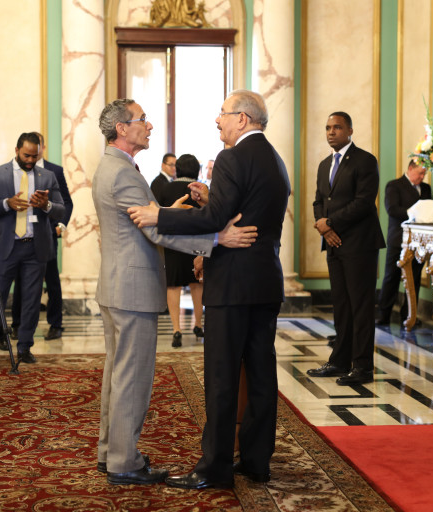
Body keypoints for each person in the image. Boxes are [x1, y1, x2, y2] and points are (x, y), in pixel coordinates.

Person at [129, 89, 290, 489]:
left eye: (223, 113)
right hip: (265, 280)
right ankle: (256, 461)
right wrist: (209, 198)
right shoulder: (276, 159)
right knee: (261, 375)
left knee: (222, 377)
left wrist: (159, 215)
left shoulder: (232, 158)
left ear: (243, 119)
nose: (217, 119)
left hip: (232, 283)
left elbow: (218, 219)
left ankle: (214, 469)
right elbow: (242, 210)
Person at [93, 98, 256, 487]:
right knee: (132, 377)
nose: (149, 126)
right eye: (143, 119)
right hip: (131, 289)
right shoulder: (123, 173)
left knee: (118, 374)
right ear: (121, 128)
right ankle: (123, 461)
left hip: (118, 286)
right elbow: (155, 230)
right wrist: (216, 238)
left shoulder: (113, 167)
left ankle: (110, 452)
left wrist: (178, 211)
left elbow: (151, 219)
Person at [0, 132, 68, 366]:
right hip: (5, 248)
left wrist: (46, 205)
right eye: (26, 155)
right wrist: (7, 204)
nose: (30, 160)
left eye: (35, 156)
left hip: (35, 248)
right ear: (16, 150)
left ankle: (25, 347)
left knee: (32, 301)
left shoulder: (47, 176)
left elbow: (61, 209)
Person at [307, 111, 385, 386]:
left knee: (360, 307)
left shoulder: (365, 160)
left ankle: (362, 367)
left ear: (350, 130)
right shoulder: (324, 164)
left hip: (360, 244)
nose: (331, 132)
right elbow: (319, 201)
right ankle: (340, 360)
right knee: (341, 305)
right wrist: (323, 227)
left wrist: (330, 223)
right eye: (328, 127)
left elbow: (363, 202)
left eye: (337, 127)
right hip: (333, 243)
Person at [9, 132, 73, 342]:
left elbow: (66, 202)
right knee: (20, 281)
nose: (31, 157)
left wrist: (60, 225)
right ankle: (17, 324)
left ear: (42, 149)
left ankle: (56, 324)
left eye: (35, 152)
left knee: (52, 280)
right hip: (22, 235)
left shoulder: (55, 170)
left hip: (47, 234)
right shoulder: (14, 170)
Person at [157, 153, 205, 347]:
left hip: (173, 243)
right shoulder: (201, 188)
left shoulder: (166, 188)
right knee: (197, 283)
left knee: (173, 286)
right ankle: (198, 324)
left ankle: (176, 329)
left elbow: (159, 215)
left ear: (177, 169)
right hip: (196, 243)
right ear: (197, 171)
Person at [377, 159, 430, 326]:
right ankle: (383, 314)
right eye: (420, 173)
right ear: (410, 168)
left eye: (424, 174)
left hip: (419, 240)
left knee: (414, 278)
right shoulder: (394, 185)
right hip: (398, 239)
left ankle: (409, 315)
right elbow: (392, 209)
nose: (422, 177)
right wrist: (414, 214)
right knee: (391, 277)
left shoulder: (426, 188)